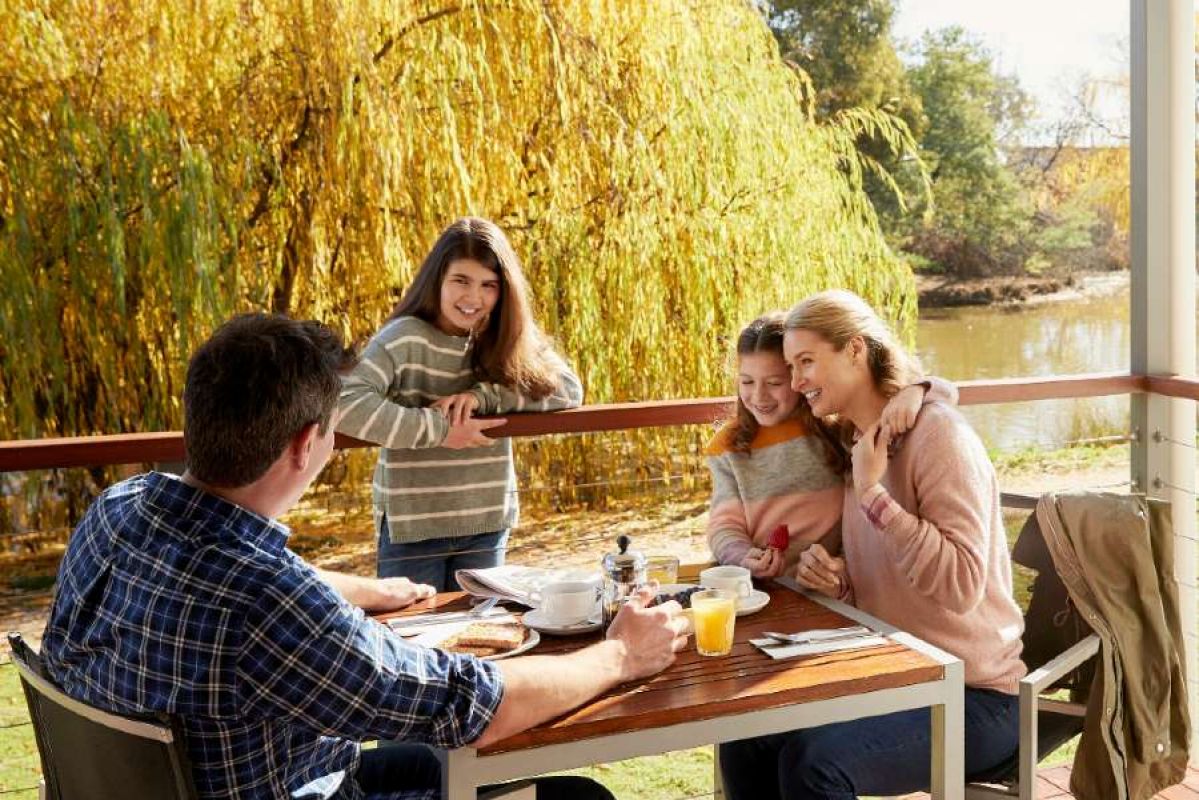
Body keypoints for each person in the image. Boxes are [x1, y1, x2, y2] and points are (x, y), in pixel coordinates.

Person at [40, 313, 688, 800]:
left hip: (203, 778)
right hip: (298, 788)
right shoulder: (270, 604)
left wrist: (366, 590)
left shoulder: (120, 510)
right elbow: (474, 707)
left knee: (433, 762)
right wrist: (622, 654)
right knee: (572, 797)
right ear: (306, 445)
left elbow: (227, 571)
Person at [718, 291, 1026, 799]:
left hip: (976, 695)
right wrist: (840, 582)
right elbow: (897, 581)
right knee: (746, 740)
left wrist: (873, 495)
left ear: (856, 350)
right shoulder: (858, 441)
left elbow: (960, 586)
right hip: (901, 675)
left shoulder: (939, 438)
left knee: (814, 766)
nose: (795, 382)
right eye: (791, 367)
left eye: (806, 362)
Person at [337, 217, 583, 591]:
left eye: (489, 285)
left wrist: (484, 397)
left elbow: (567, 389)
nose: (473, 298)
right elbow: (345, 402)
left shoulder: (506, 338)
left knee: (481, 624)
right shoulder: (403, 339)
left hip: (486, 521)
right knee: (412, 623)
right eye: (461, 281)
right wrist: (442, 430)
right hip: (414, 528)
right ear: (437, 279)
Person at [705, 311, 957, 578]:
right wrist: (743, 558)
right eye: (746, 381)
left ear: (798, 378)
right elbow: (724, 525)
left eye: (775, 383)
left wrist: (915, 391)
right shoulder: (727, 446)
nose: (759, 396)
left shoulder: (835, 427)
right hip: (757, 587)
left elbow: (946, 391)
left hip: (828, 585)